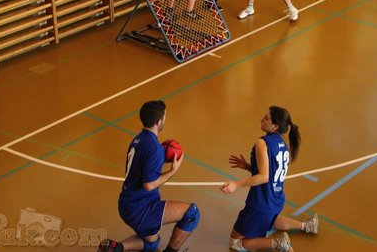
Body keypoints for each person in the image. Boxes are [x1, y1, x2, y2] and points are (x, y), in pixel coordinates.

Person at [99, 100, 200, 252]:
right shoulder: (155, 149)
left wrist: (158, 161)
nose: (165, 120)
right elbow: (149, 185)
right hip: (141, 207)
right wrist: (172, 171)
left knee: (152, 243)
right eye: (164, 117)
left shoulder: (138, 139)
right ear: (159, 122)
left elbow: (144, 167)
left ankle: (115, 248)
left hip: (126, 203)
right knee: (192, 213)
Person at [221, 106, 318, 252]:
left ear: (275, 126)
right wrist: (249, 166)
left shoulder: (262, 142)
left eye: (266, 118)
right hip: (276, 200)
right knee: (271, 220)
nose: (262, 119)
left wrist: (235, 184)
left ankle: (277, 243)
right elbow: (271, 172)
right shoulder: (282, 144)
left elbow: (264, 177)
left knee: (234, 243)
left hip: (261, 202)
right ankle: (307, 226)